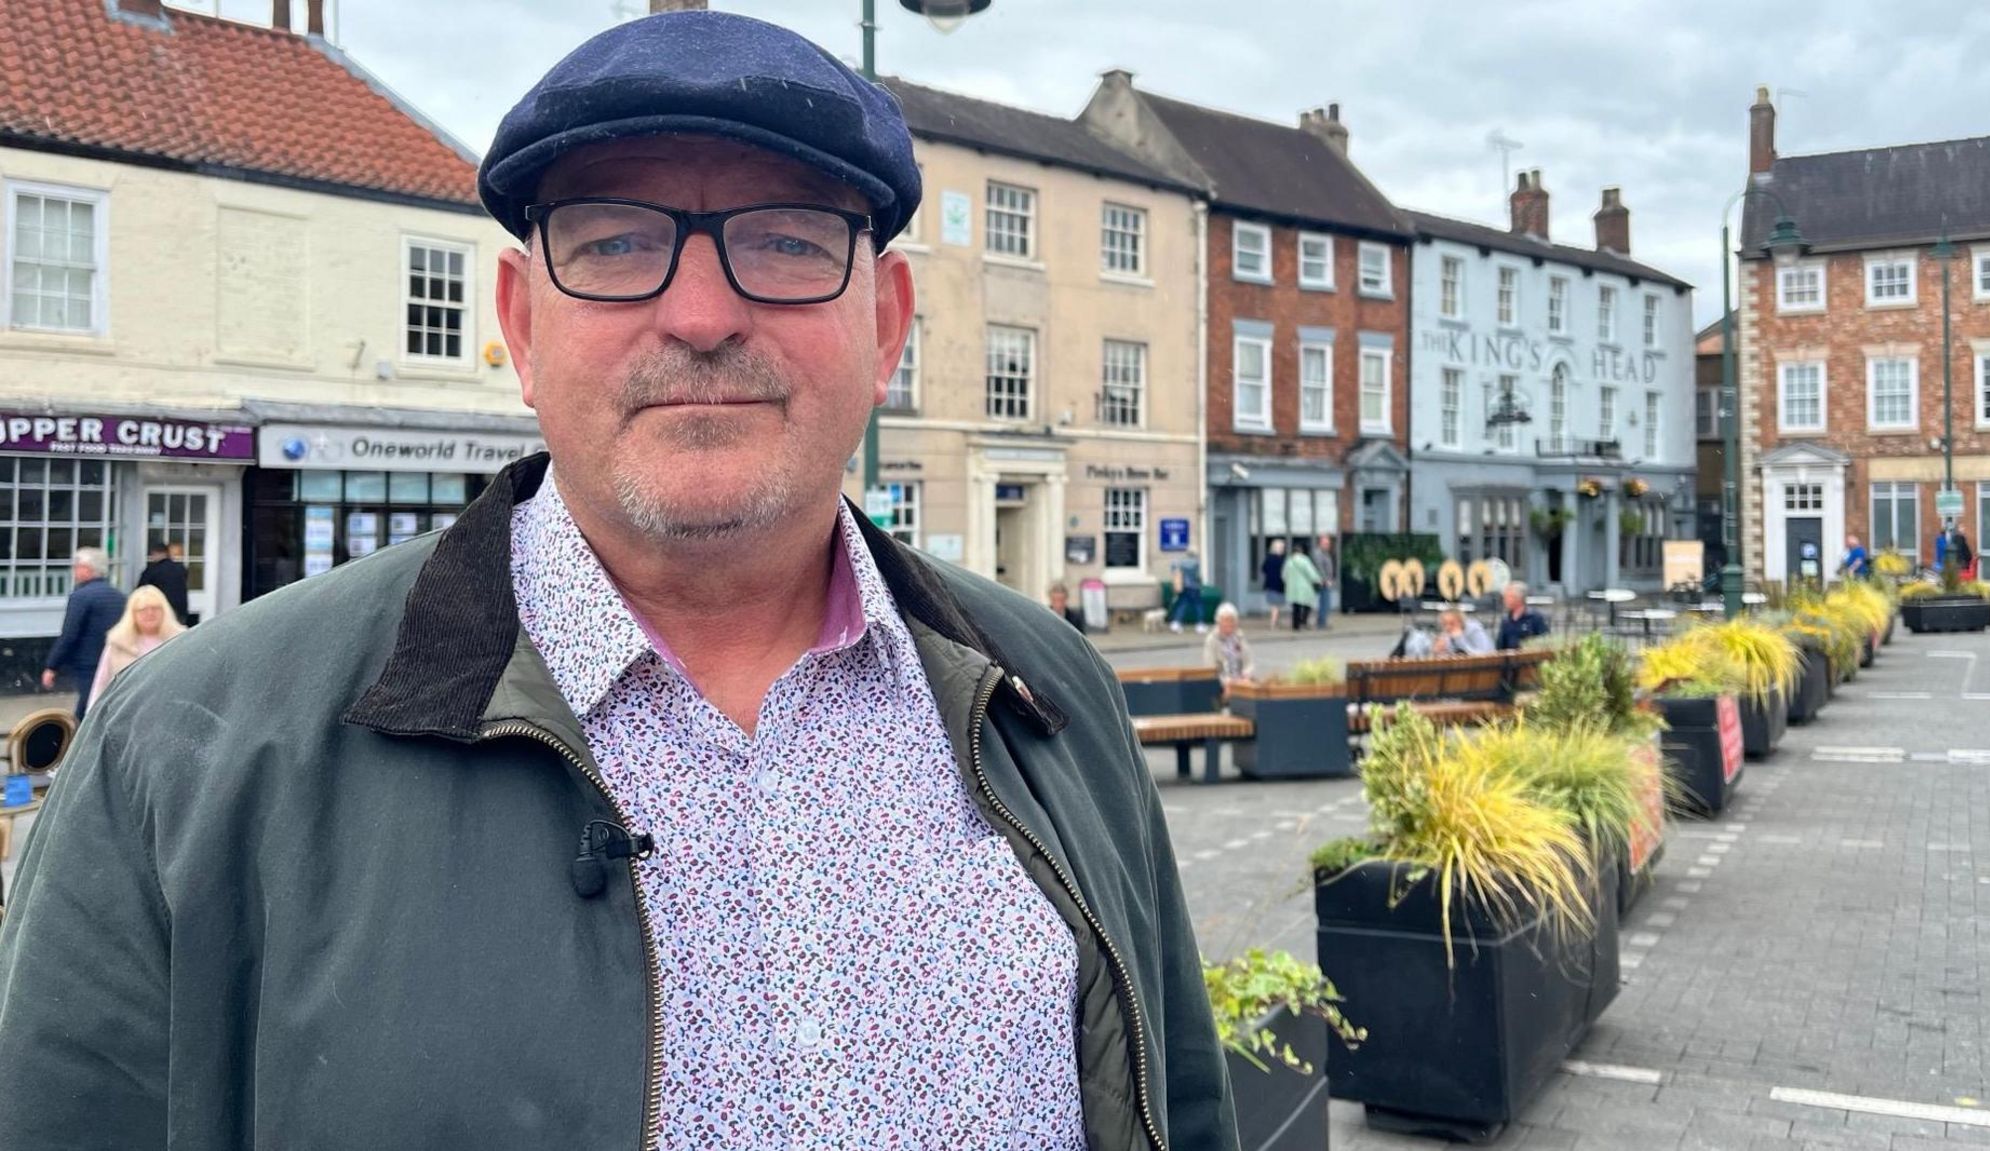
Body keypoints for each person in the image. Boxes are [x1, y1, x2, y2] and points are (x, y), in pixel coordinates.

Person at [0, 12, 1235, 1150]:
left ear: (887, 325)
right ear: (522, 323)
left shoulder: (1046, 689)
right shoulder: (184, 752)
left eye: (788, 240)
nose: (700, 313)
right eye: (617, 242)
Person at [39, 547, 126, 720]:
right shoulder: (120, 596)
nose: (74, 571)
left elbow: (70, 633)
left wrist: (52, 665)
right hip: (114, 658)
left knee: (89, 707)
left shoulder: (80, 597)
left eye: (76, 566)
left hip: (87, 662)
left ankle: (78, 743)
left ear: (87, 569)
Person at [88, 585, 187, 707]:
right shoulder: (117, 643)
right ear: (132, 614)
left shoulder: (181, 641)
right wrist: (92, 712)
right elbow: (101, 682)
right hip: (126, 712)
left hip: (169, 711)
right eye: (142, 609)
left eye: (155, 608)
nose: (150, 613)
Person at [1202, 602, 1256, 699]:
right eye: (1225, 621)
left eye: (1232, 621)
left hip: (1241, 680)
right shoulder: (1211, 640)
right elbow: (1210, 668)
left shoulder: (1240, 637)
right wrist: (1226, 682)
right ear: (1218, 622)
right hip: (1221, 682)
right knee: (1228, 691)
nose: (1229, 624)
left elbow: (1249, 663)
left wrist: (1246, 675)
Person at [136, 539, 191, 626]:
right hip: (180, 609)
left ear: (154, 553)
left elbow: (141, 591)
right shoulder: (180, 569)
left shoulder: (152, 571)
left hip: (160, 610)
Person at [1495, 580, 1551, 651]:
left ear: (1518, 598)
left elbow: (1545, 640)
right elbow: (1499, 646)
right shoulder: (1506, 620)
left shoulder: (1535, 618)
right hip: (1509, 659)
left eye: (1508, 597)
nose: (1505, 600)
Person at [1282, 542, 1321, 632]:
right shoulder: (1305, 560)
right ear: (1301, 552)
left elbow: (1284, 575)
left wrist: (1288, 582)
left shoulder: (1289, 561)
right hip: (1304, 587)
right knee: (1308, 604)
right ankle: (1303, 621)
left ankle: (1296, 626)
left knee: (1296, 607)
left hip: (1292, 587)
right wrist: (1318, 580)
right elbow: (1311, 572)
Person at [1167, 548, 1205, 633]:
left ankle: (1176, 623)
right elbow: (1197, 576)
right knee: (1198, 605)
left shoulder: (1181, 562)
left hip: (1183, 587)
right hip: (1194, 587)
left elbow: (1173, 568)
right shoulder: (1196, 563)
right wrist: (1201, 585)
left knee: (1182, 605)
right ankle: (1200, 625)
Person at [1312, 533, 1337, 630]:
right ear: (1320, 543)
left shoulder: (1325, 553)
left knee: (1325, 603)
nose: (1328, 545)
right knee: (1325, 603)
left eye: (1328, 544)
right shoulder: (1318, 553)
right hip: (1322, 582)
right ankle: (1321, 624)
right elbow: (1320, 568)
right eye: (1326, 543)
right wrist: (1326, 580)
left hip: (1327, 582)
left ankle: (1322, 622)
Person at [1261, 537, 1287, 628]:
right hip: (1279, 585)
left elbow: (1263, 569)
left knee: (1275, 605)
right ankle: (1273, 623)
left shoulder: (1269, 558)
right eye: (1282, 547)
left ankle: (1275, 622)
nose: (1283, 549)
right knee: (1276, 606)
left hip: (1271, 584)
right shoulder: (1282, 560)